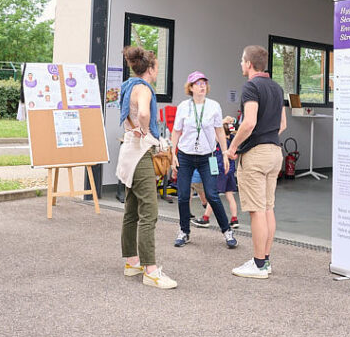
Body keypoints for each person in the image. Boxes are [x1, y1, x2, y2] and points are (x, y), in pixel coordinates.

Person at [116, 46, 177, 289]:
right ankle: (150, 270)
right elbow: (143, 112)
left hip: (129, 149)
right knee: (149, 211)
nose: (157, 71)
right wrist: (145, 130)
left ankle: (132, 261)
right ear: (150, 69)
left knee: (132, 209)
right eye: (157, 68)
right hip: (140, 151)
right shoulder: (144, 89)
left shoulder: (128, 86)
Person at [226, 46, 286, 278]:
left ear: (249, 64)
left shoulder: (251, 86)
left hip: (255, 154)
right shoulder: (277, 88)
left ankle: (258, 264)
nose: (241, 64)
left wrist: (233, 147)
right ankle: (266, 260)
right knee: (268, 207)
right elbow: (282, 124)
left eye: (242, 61)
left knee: (256, 211)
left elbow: (249, 122)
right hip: (274, 152)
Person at [170, 71, 238, 249]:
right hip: (185, 155)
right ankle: (184, 231)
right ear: (191, 87)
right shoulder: (184, 107)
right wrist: (172, 155)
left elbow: (219, 131)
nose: (202, 86)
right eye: (197, 83)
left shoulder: (214, 106)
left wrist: (224, 153)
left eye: (204, 83)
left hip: (207, 157)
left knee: (212, 195)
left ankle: (227, 231)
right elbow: (176, 132)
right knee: (183, 195)